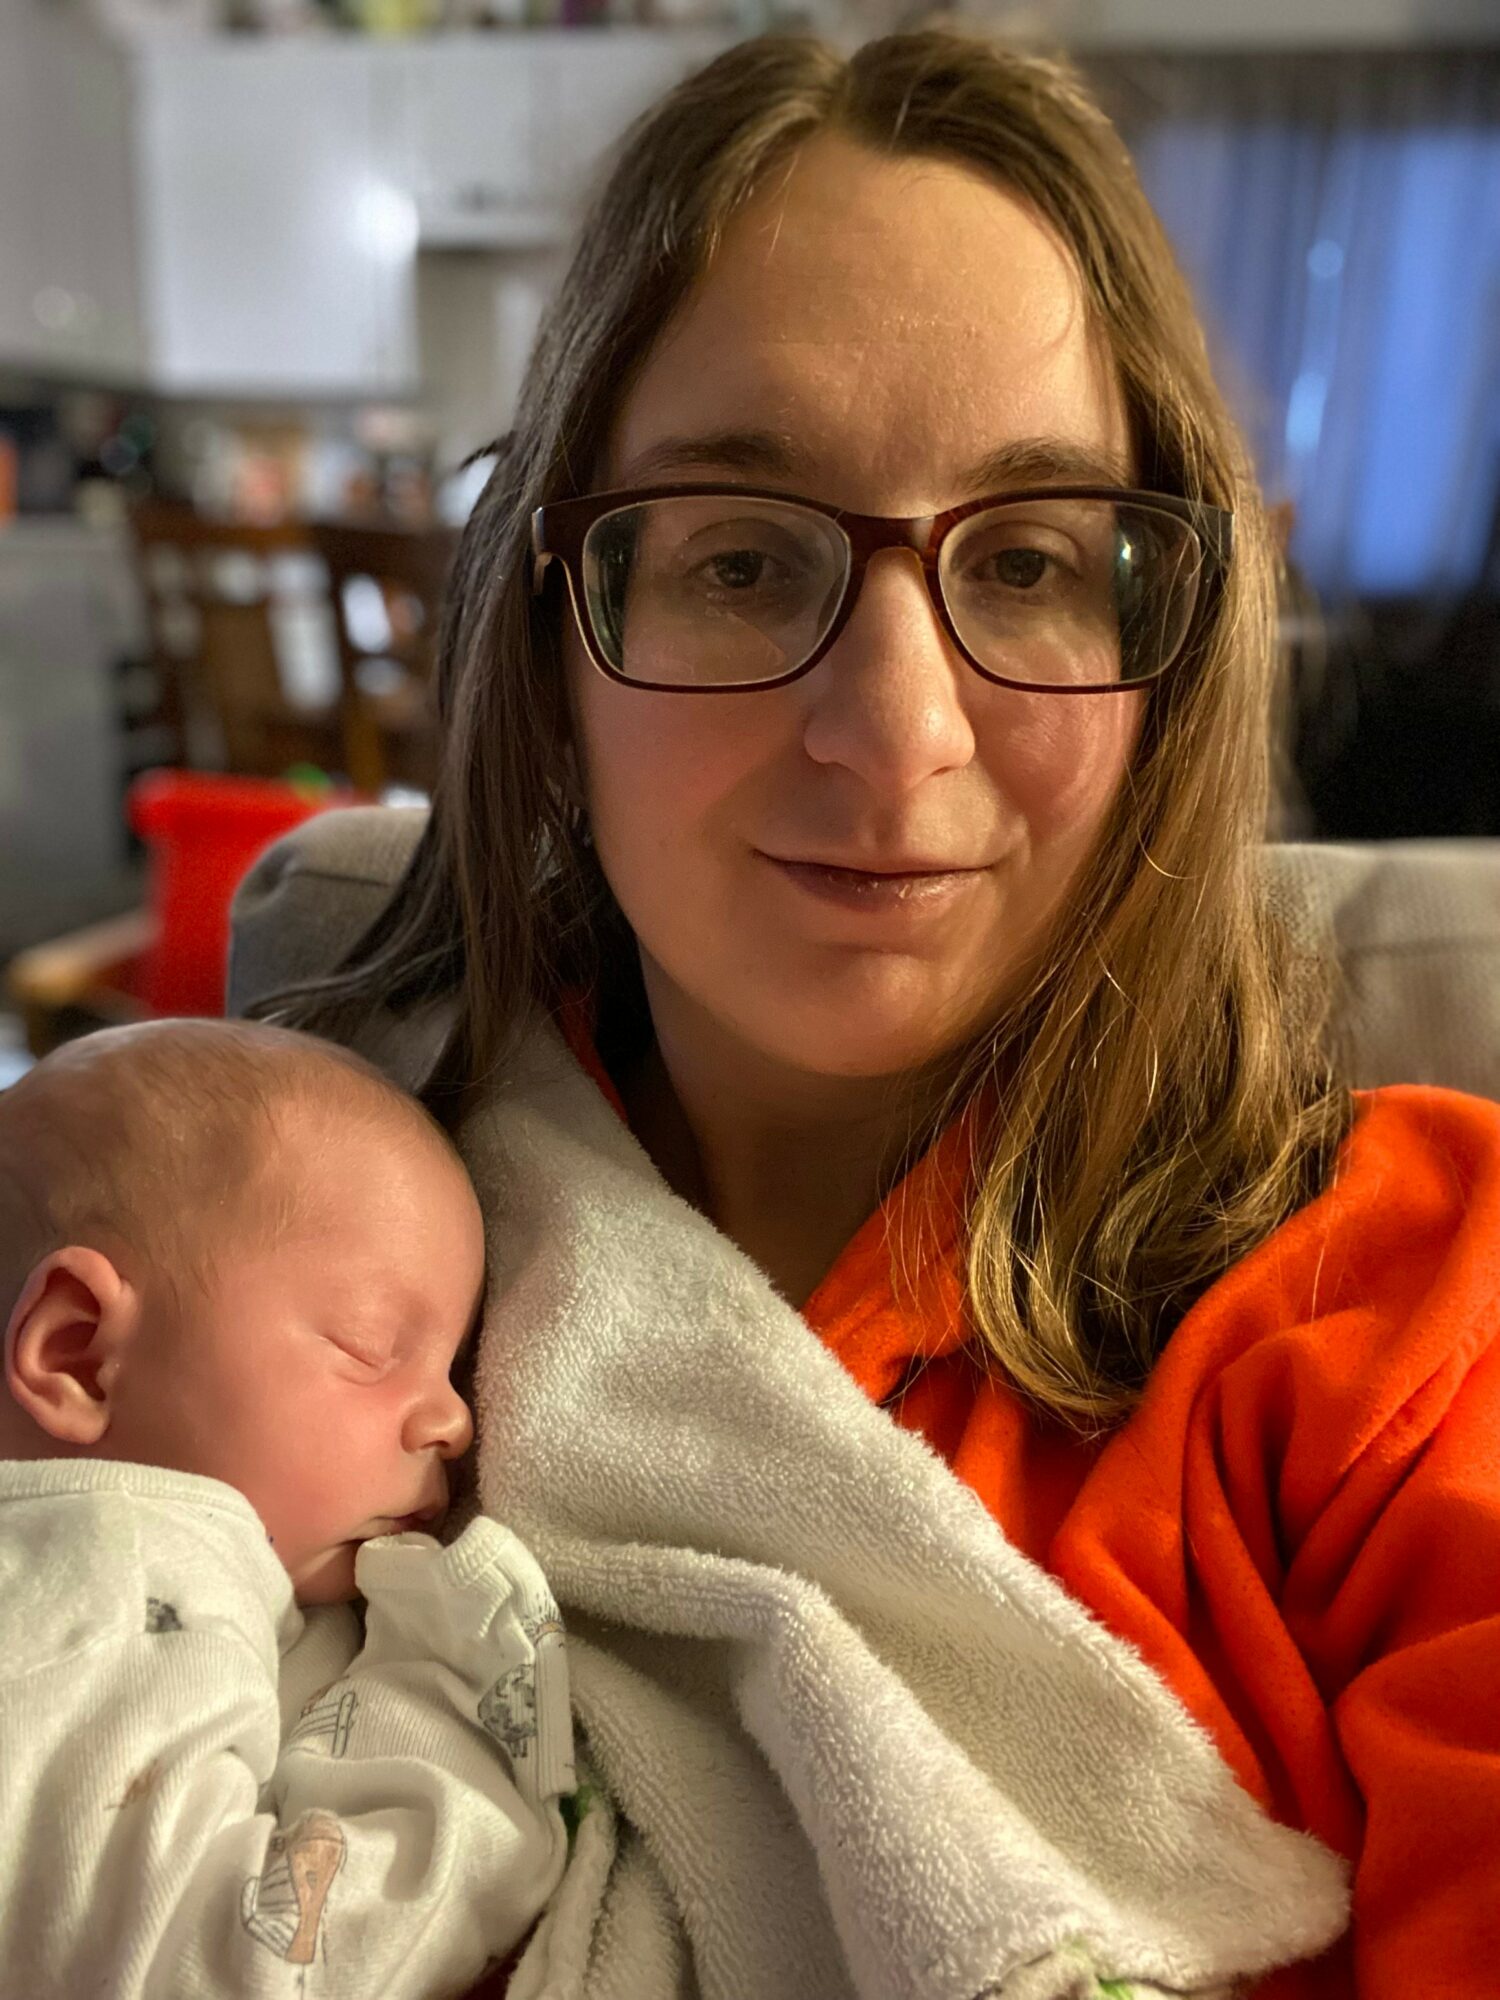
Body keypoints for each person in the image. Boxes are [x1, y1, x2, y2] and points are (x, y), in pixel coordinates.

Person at [232, 28, 1500, 2000]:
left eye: (1033, 561)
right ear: (563, 621)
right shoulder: (262, 1246)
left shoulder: (1418, 1320)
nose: (898, 736)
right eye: (744, 557)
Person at [0, 1018, 573, 2000]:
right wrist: (468, 1734)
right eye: (369, 1342)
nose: (452, 1417)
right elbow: (232, 1968)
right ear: (79, 1351)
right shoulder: (111, 1567)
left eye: (450, 1364)